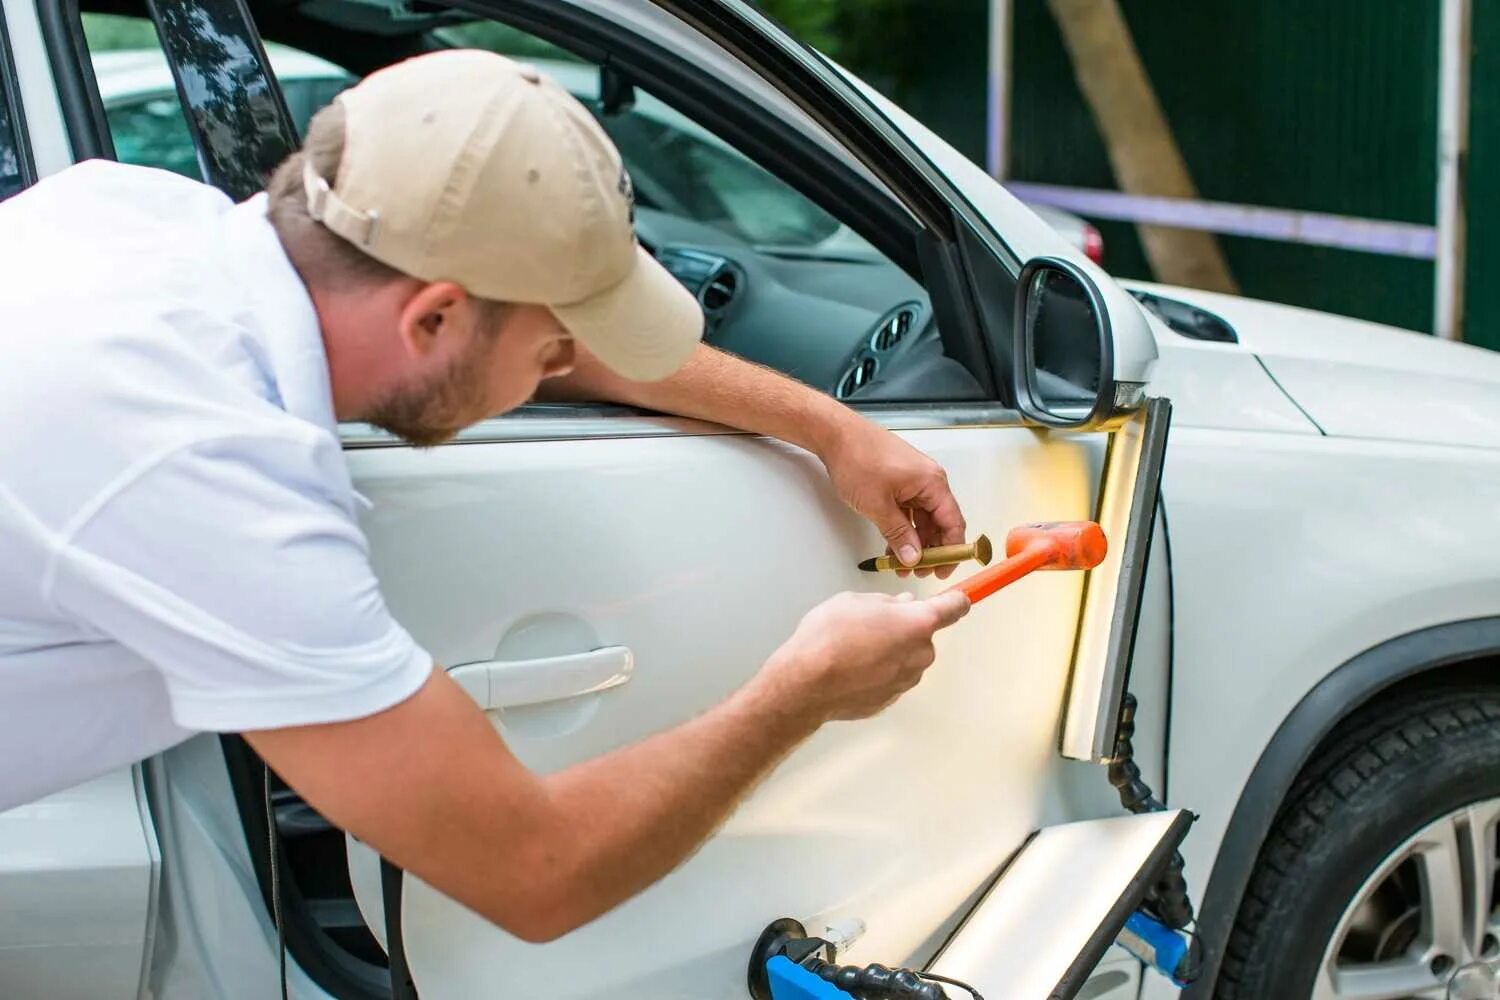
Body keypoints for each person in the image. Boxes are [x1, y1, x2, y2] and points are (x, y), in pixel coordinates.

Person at [0, 49, 970, 943]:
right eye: (551, 346)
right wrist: (800, 692)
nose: (561, 364)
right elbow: (535, 871)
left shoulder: (139, 218)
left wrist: (831, 428)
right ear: (434, 316)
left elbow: (523, 344)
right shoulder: (204, 468)